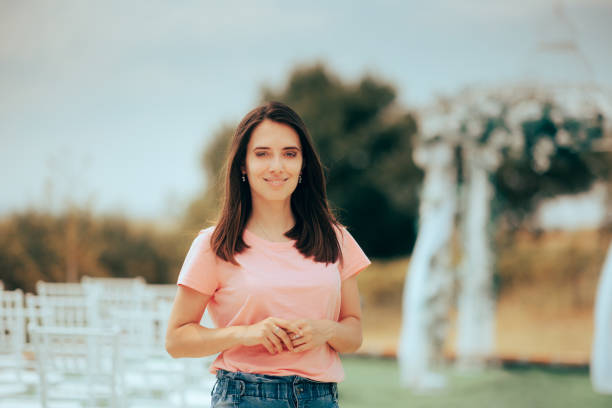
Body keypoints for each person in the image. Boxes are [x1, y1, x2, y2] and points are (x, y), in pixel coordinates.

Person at [165, 101, 371, 408]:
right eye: (262, 154)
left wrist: (325, 330)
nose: (277, 166)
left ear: (303, 165)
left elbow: (353, 334)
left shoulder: (335, 238)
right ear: (243, 166)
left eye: (290, 153)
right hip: (244, 396)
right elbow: (176, 340)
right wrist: (246, 334)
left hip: (320, 398)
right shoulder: (215, 244)